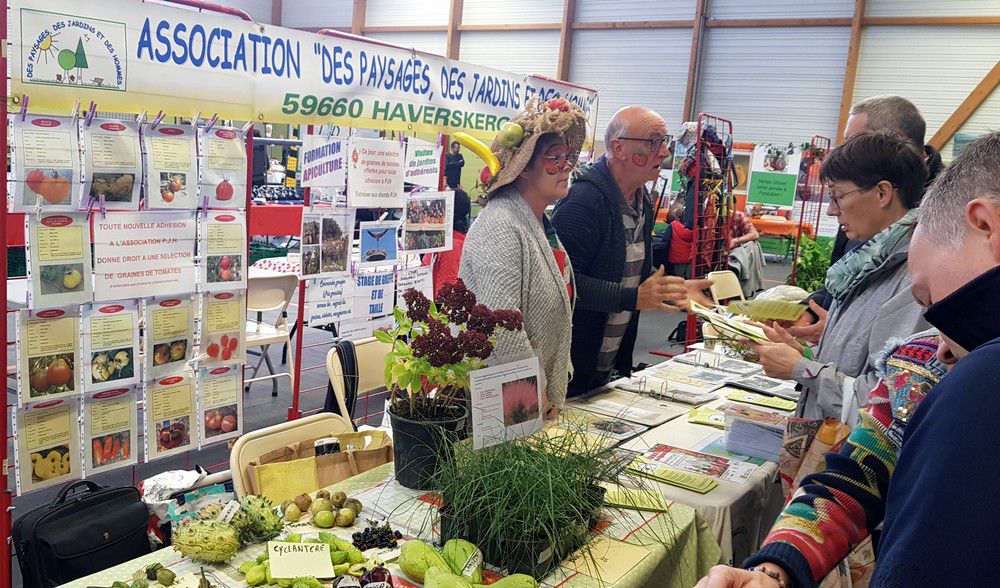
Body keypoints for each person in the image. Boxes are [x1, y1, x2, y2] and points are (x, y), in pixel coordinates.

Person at [697, 130, 1000, 588]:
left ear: (984, 225)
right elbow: (859, 470)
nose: (937, 343)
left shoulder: (971, 367)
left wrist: (804, 366)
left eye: (933, 298)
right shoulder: (932, 352)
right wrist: (775, 571)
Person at [753, 131, 929, 421]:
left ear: (883, 193)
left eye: (838, 196)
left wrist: (802, 369)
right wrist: (801, 355)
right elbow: (853, 365)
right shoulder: (868, 263)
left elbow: (891, 405)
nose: (832, 210)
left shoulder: (914, 280)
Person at [552, 106, 711, 396]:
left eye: (666, 141)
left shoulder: (642, 201)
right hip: (570, 372)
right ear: (619, 148)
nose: (663, 152)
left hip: (609, 368)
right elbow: (561, 282)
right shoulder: (583, 201)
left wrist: (671, 289)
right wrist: (634, 298)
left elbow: (634, 272)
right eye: (654, 142)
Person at [458, 98, 587, 418]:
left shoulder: (539, 225)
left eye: (567, 157)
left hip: (527, 406)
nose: (567, 166)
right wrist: (535, 401)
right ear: (524, 168)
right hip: (507, 412)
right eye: (554, 158)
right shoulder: (500, 225)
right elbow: (500, 327)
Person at [792, 95, 945, 343]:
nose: (832, 210)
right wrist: (810, 314)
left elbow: (895, 365)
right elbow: (845, 278)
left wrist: (833, 341)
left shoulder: (937, 233)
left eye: (855, 143)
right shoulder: (861, 212)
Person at [423, 189, 472, 296]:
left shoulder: (442, 243)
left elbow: (424, 272)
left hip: (439, 306)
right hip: (460, 304)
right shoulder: (469, 241)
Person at [728, 209, 765, 296]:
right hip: (722, 253)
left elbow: (755, 234)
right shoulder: (712, 217)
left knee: (751, 246)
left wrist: (735, 241)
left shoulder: (738, 215)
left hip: (736, 252)